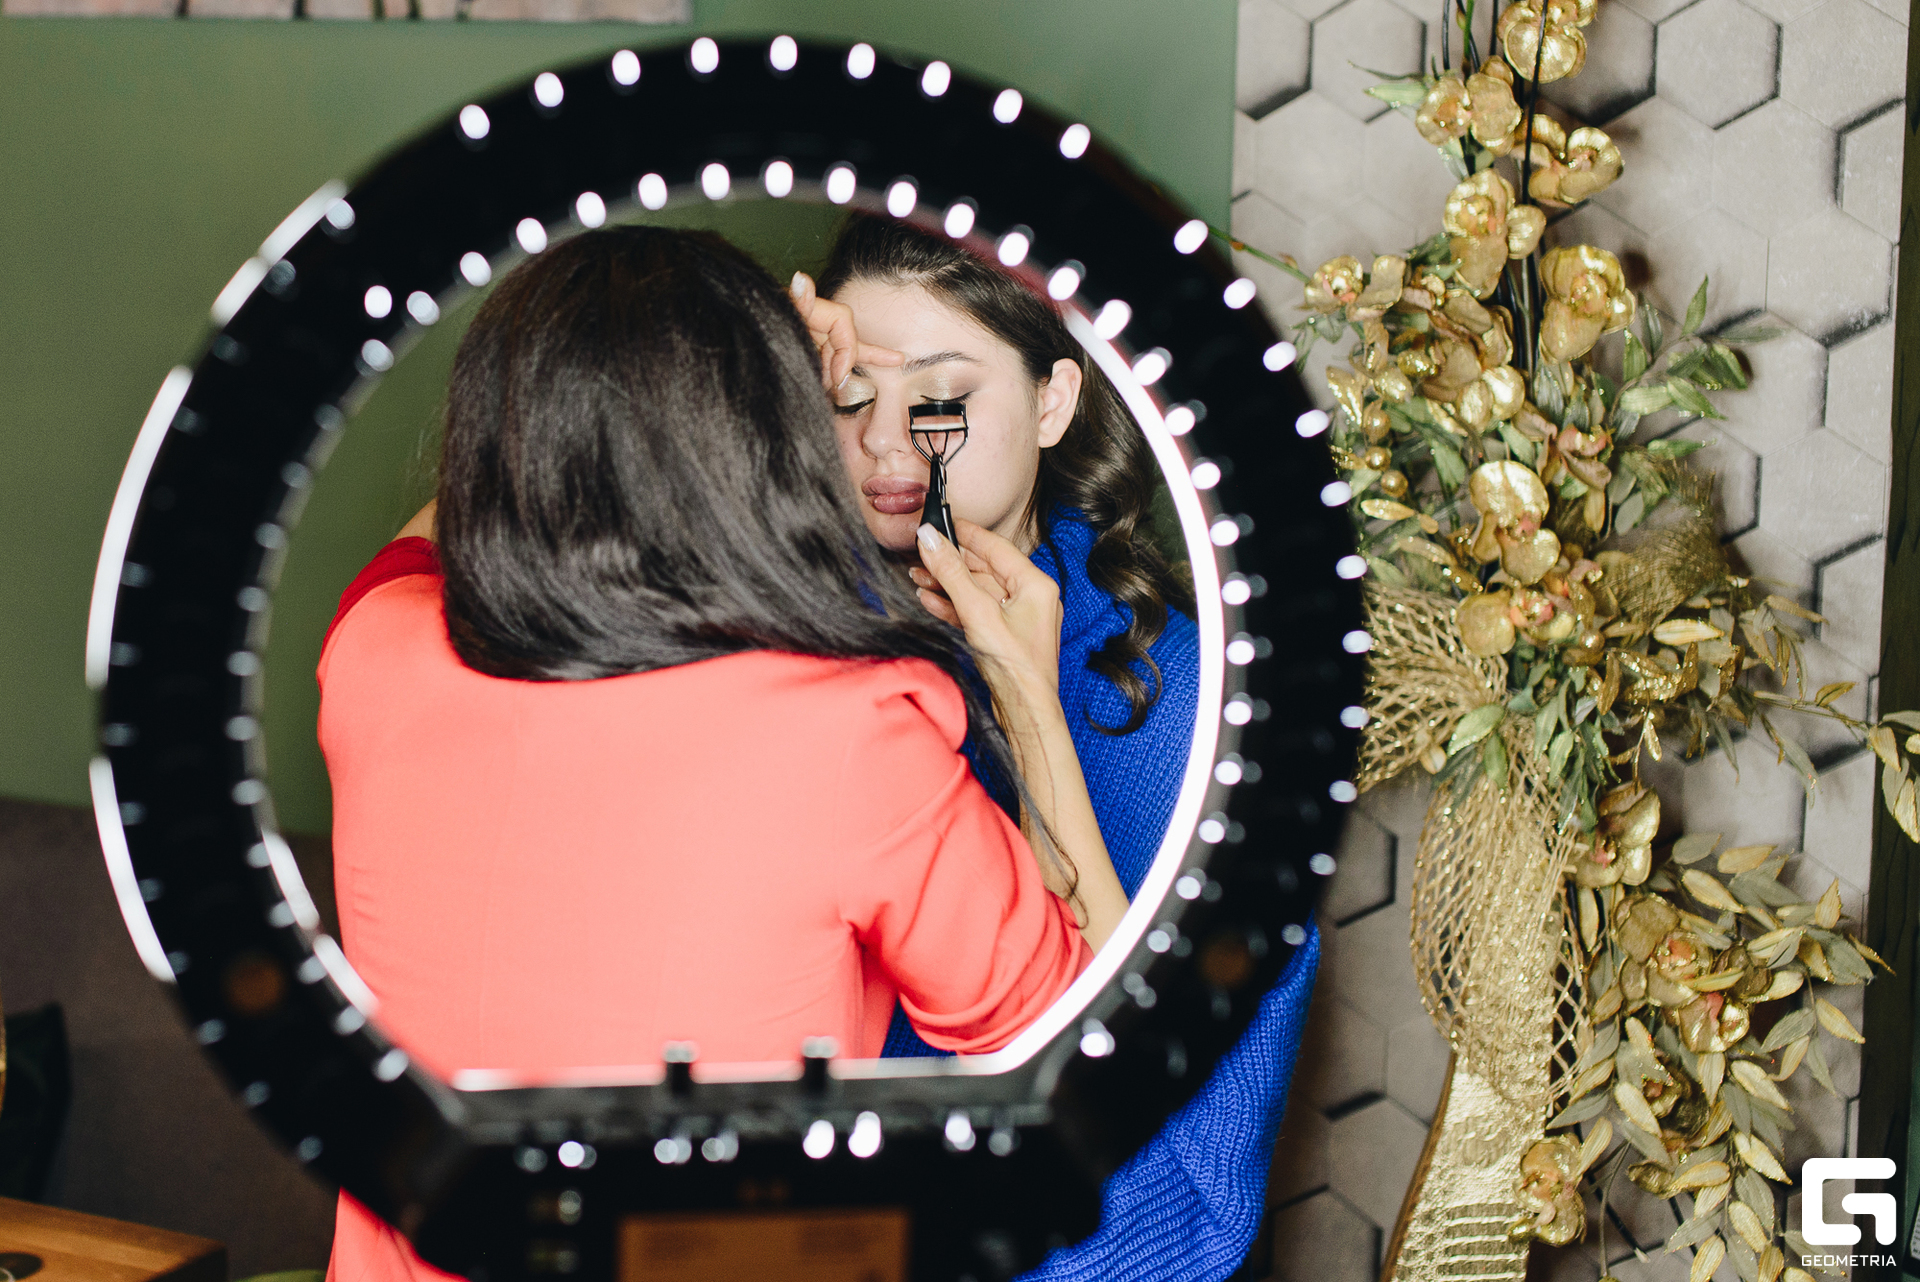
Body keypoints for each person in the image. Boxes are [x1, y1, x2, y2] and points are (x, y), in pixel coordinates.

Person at [317, 226, 1129, 1281]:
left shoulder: (375, 654)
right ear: (765, 442)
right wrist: (1028, 700)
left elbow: (443, 530)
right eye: (845, 402)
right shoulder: (850, 732)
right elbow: (1079, 1048)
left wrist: (684, 389)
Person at [804, 216, 1320, 1280]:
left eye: (940, 399)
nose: (888, 443)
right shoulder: (767, 657)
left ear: (1052, 402)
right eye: (850, 394)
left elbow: (1198, 1215)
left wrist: (1028, 718)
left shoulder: (1201, 725)